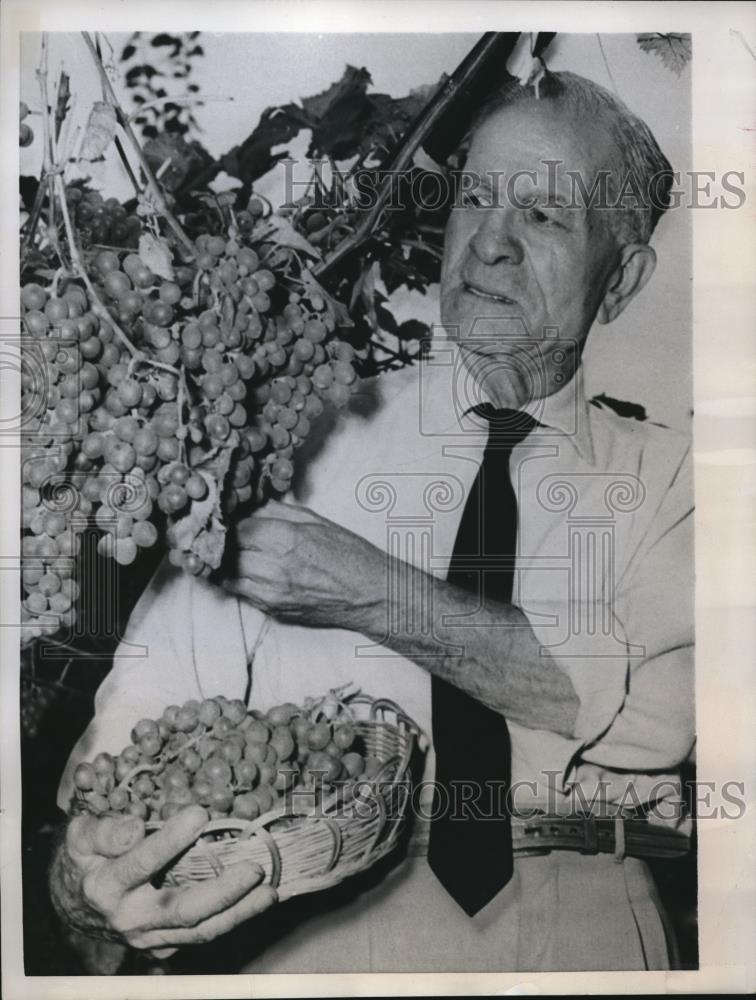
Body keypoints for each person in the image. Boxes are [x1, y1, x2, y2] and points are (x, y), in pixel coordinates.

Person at [49, 70, 694, 973]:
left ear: (621, 279)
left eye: (545, 216)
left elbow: (654, 717)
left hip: (587, 930)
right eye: (475, 195)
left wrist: (367, 591)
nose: (490, 243)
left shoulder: (678, 483)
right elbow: (140, 731)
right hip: (311, 928)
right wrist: (92, 873)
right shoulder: (293, 437)